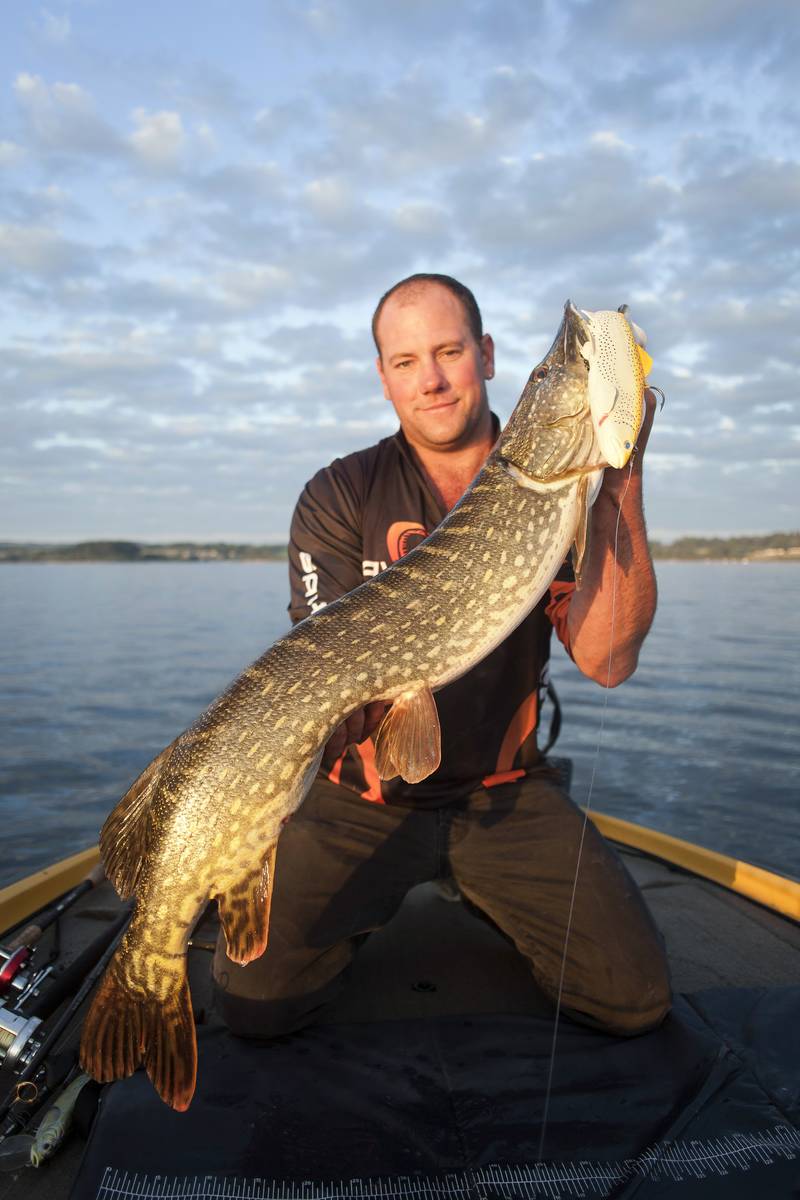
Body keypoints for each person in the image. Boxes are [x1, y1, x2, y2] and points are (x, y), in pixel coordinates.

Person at [212, 273, 671, 1038]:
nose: (430, 379)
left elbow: (609, 660)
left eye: (450, 351)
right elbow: (325, 661)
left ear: (486, 356)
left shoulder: (558, 492)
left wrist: (621, 471)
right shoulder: (340, 494)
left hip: (506, 791)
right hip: (363, 802)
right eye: (405, 361)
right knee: (257, 1007)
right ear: (383, 376)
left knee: (633, 997)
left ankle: (487, 891)